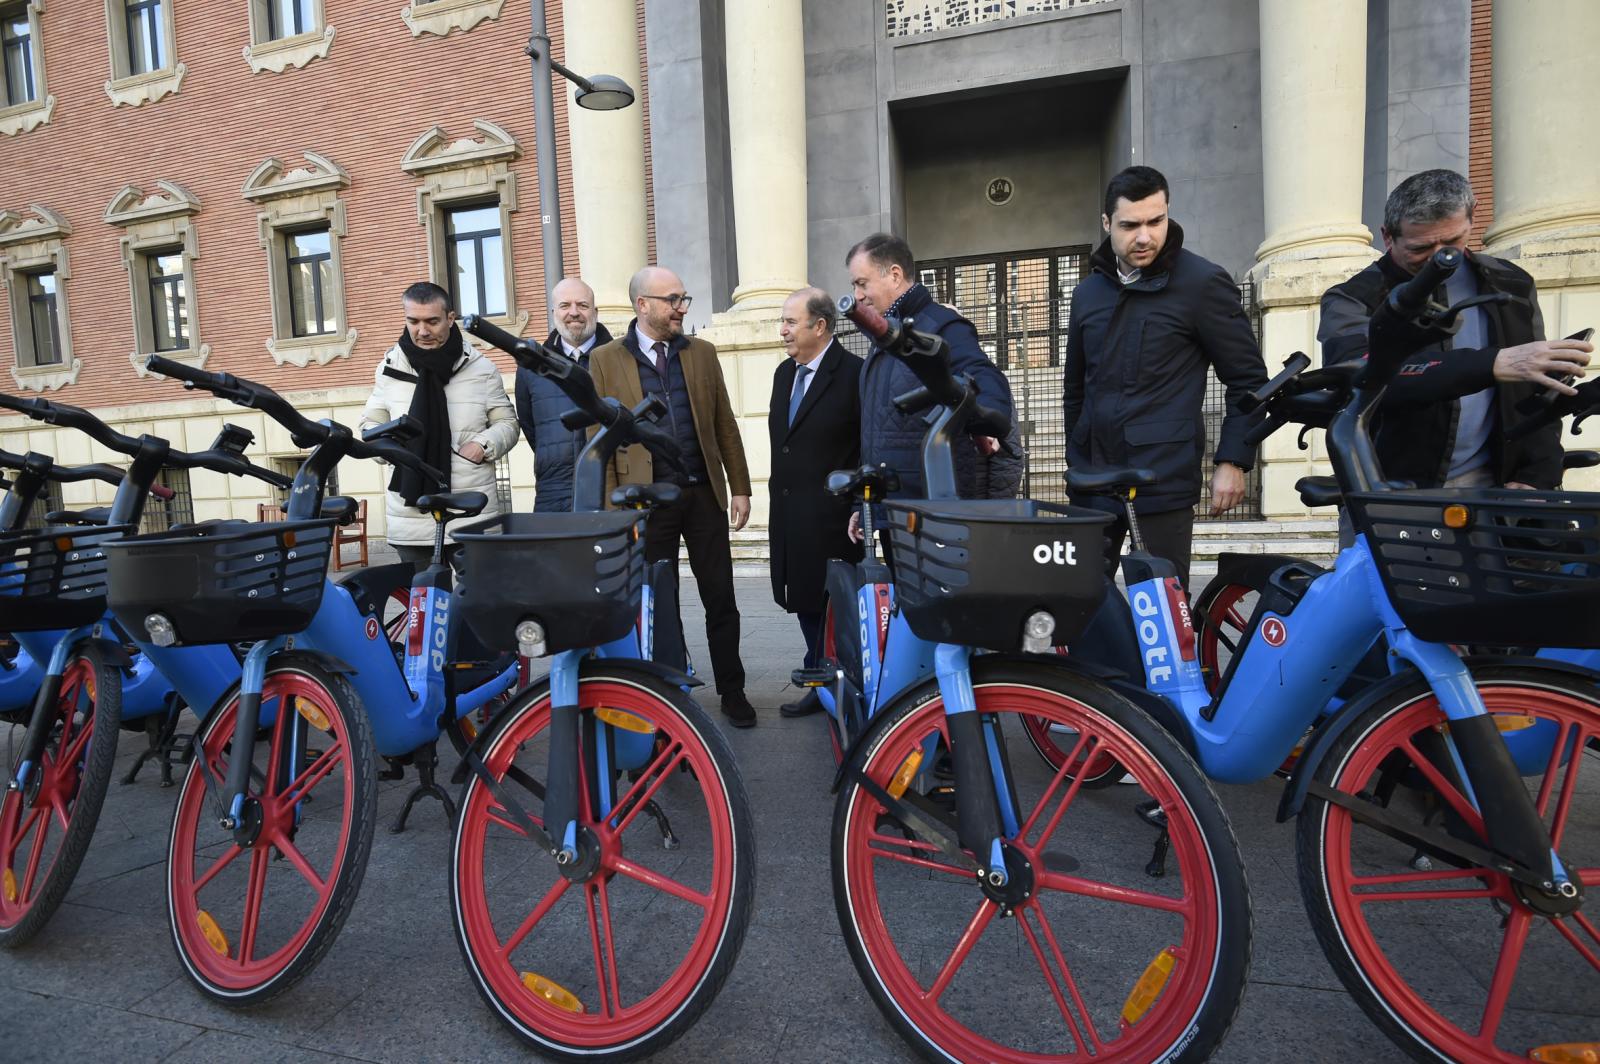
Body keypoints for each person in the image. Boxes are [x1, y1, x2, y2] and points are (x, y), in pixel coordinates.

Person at [1319, 168, 1591, 499]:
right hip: (1389, 487)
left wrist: (1537, 473)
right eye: (1421, 248)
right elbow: (1359, 376)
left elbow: (1538, 390)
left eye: (1452, 242)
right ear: (1388, 236)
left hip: (1496, 485)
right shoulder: (1352, 297)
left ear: (1472, 218)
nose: (1440, 259)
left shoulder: (1512, 282)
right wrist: (1490, 364)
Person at [1062, 165, 1267, 588]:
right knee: (1075, 602)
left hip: (1161, 481)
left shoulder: (1202, 283)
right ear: (1107, 224)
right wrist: (1075, 453)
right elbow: (1075, 388)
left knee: (1161, 606)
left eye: (1156, 221)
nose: (1144, 236)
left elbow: (1248, 380)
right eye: (1130, 225)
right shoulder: (1087, 294)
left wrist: (1233, 460)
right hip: (1092, 481)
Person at [588, 267, 757, 727]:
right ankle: (669, 690)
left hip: (702, 493)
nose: (682, 307)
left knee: (720, 595)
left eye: (684, 298)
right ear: (643, 304)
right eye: (673, 299)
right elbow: (596, 437)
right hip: (643, 502)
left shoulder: (702, 353)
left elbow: (724, 422)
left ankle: (733, 688)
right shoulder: (604, 359)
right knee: (659, 601)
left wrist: (739, 486)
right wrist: (610, 510)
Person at [844, 232, 1015, 558]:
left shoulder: (942, 325)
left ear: (894, 274)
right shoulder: (885, 335)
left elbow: (985, 379)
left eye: (862, 283)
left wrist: (989, 416)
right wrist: (864, 505)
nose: (857, 295)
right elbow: (876, 429)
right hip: (893, 506)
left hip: (933, 508)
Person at [360, 281, 519, 566]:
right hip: (410, 518)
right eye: (414, 321)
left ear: (450, 317)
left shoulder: (481, 368)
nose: (422, 331)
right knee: (422, 605)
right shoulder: (389, 368)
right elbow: (371, 424)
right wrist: (388, 448)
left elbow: (508, 423)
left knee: (472, 605)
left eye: (432, 321)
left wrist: (483, 445)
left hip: (471, 515)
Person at [768, 287, 863, 718]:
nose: (783, 330)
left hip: (833, 519)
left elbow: (867, 445)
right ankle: (821, 677)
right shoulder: (783, 375)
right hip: (790, 513)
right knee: (803, 601)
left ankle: (840, 682)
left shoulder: (856, 374)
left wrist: (859, 504)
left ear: (820, 326)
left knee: (831, 605)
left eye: (791, 321)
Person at [514, 277, 614, 512]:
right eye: (565, 306)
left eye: (582, 305)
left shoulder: (618, 359)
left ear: (595, 312)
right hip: (554, 490)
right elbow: (530, 427)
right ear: (553, 313)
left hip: (610, 487)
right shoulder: (531, 367)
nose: (574, 312)